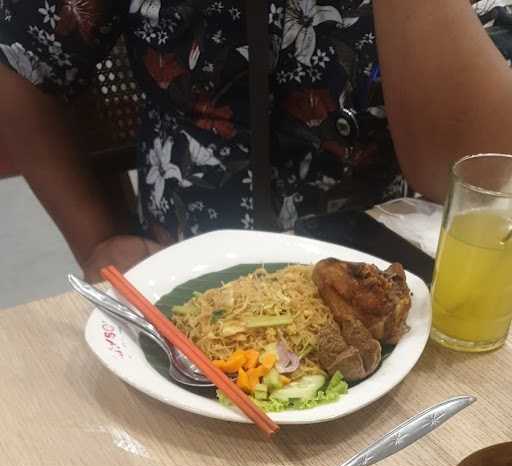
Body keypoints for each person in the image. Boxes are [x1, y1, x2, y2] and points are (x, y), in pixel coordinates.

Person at [1, 1, 511, 282]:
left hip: (393, 285)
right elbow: (19, 65)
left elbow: (473, 172)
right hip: (184, 273)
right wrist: (97, 237)